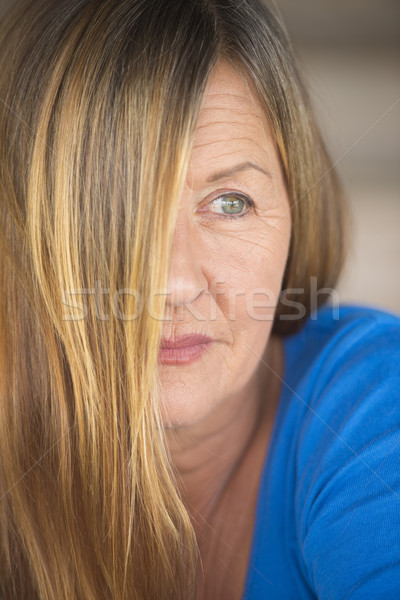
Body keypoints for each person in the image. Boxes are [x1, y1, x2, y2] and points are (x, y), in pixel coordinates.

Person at [0, 0, 399, 599]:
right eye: (115, 208)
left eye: (231, 201)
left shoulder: (372, 402)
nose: (175, 284)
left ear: (296, 206)